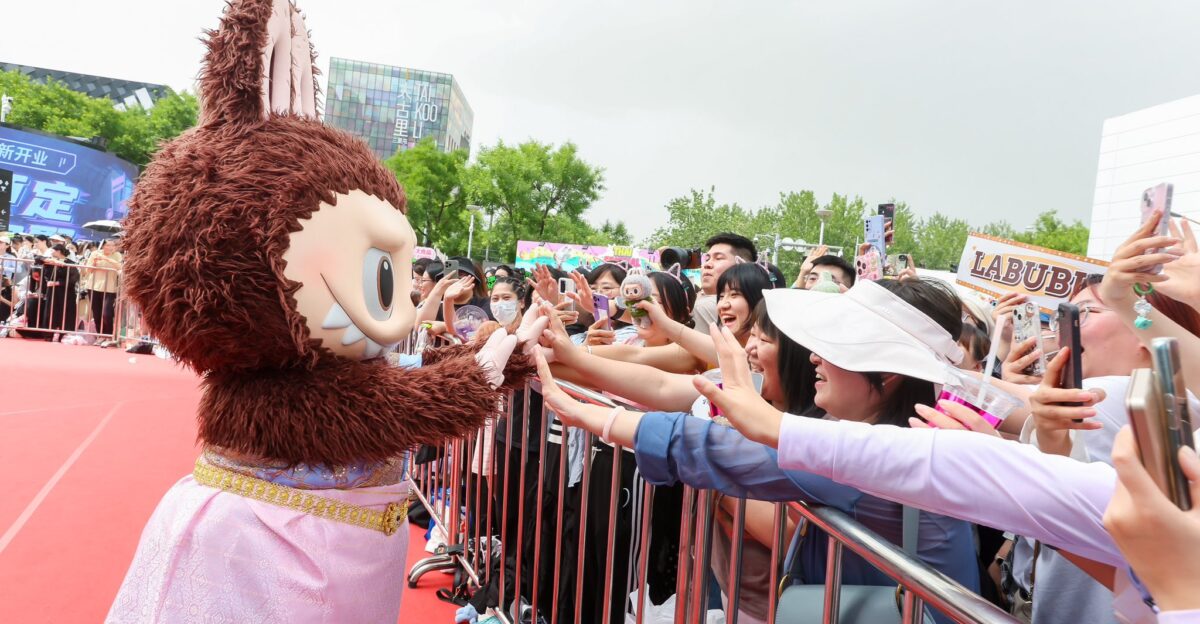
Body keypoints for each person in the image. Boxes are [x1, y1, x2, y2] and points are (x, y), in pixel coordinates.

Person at [534, 277, 982, 624]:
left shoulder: (885, 448)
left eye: (838, 348)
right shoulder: (883, 432)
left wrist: (588, 414)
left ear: (889, 375)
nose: (815, 358)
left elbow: (709, 446)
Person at [692, 233, 756, 335]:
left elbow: (686, 349)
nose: (707, 264)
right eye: (707, 259)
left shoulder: (704, 306)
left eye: (718, 258)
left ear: (742, 265)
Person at [84, 239, 122, 337]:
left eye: (112, 245)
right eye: (107, 245)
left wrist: (106, 259)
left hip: (109, 288)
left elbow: (120, 267)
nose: (110, 247)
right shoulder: (95, 254)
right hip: (93, 286)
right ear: (103, 246)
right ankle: (100, 335)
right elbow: (88, 270)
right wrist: (94, 263)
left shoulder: (117, 255)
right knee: (97, 314)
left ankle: (109, 336)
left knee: (106, 314)